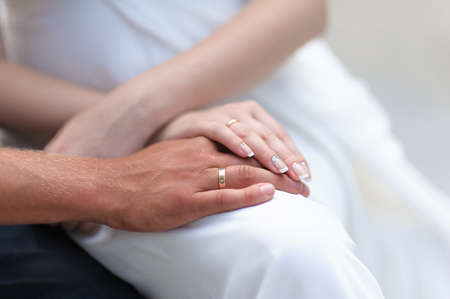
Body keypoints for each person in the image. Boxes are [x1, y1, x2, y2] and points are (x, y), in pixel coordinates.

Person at [4, 0, 448, 298]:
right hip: (93, 130)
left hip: (274, 88)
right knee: (290, 248)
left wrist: (136, 110)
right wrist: (123, 126)